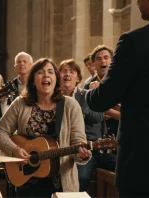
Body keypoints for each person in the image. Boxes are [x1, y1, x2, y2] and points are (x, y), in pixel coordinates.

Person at [0, 58, 91, 197]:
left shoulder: (71, 105)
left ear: (56, 79)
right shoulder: (21, 103)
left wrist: (81, 155)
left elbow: (78, 142)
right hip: (26, 181)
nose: (46, 75)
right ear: (33, 79)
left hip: (60, 184)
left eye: (50, 72)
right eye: (41, 72)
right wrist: (14, 149)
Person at [86, 1, 149, 197]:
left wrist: (91, 92)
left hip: (142, 160)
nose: (137, 2)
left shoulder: (135, 42)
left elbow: (101, 99)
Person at [58, 59, 115, 192]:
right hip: (69, 149)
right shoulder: (54, 99)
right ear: (58, 75)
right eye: (64, 71)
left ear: (77, 78)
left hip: (93, 147)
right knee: (80, 177)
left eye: (72, 72)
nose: (67, 75)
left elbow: (99, 116)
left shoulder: (86, 96)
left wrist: (80, 110)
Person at [84, 45, 120, 137]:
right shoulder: (88, 85)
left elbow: (125, 114)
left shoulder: (120, 82)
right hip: (97, 137)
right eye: (99, 59)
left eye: (106, 57)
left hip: (118, 133)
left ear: (112, 60)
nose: (103, 61)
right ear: (94, 64)